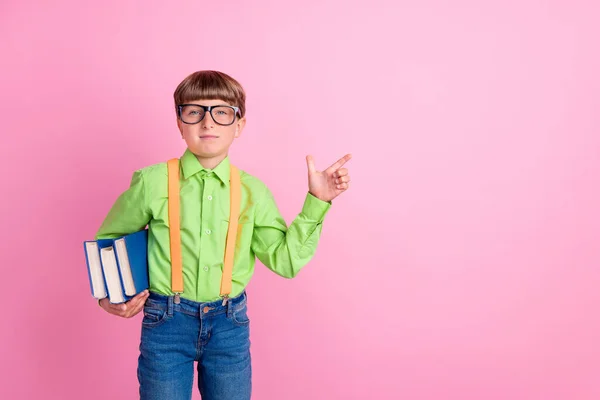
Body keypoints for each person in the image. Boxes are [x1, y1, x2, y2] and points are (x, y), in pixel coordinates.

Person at [95, 70, 352, 400]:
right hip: (166, 323)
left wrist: (317, 202)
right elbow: (110, 239)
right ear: (179, 122)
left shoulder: (253, 191)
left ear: (239, 125)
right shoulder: (152, 182)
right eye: (194, 112)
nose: (208, 123)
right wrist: (109, 296)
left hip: (229, 326)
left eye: (221, 112)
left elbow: (286, 261)